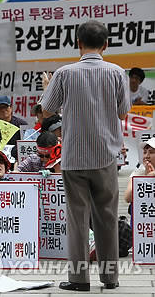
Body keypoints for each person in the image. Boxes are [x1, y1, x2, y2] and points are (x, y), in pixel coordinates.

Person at [40, 20, 131, 291]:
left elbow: (46, 111)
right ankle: (110, 277)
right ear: (106, 45)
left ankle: (79, 279)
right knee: (107, 217)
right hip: (106, 157)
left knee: (77, 219)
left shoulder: (64, 73)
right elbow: (123, 113)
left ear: (78, 43)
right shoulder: (116, 72)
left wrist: (48, 87)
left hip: (74, 157)